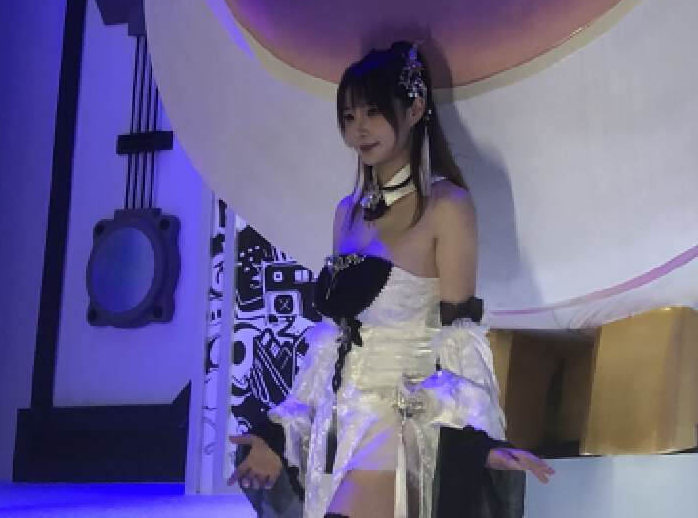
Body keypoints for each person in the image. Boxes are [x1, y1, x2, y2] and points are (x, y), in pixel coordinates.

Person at [227, 38, 554, 518]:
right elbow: (329, 345)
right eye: (348, 117)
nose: (358, 129)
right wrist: (281, 434)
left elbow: (459, 338)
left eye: (372, 113)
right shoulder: (346, 213)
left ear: (415, 108)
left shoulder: (448, 208)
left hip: (398, 422)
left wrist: (477, 441)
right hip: (339, 422)